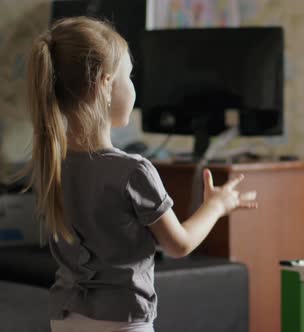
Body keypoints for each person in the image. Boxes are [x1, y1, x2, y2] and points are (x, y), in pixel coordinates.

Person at [23, 16, 257, 332]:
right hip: (122, 320)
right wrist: (217, 205)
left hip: (66, 317)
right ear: (104, 85)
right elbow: (179, 245)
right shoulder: (134, 172)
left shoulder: (50, 165)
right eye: (129, 77)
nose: (134, 87)